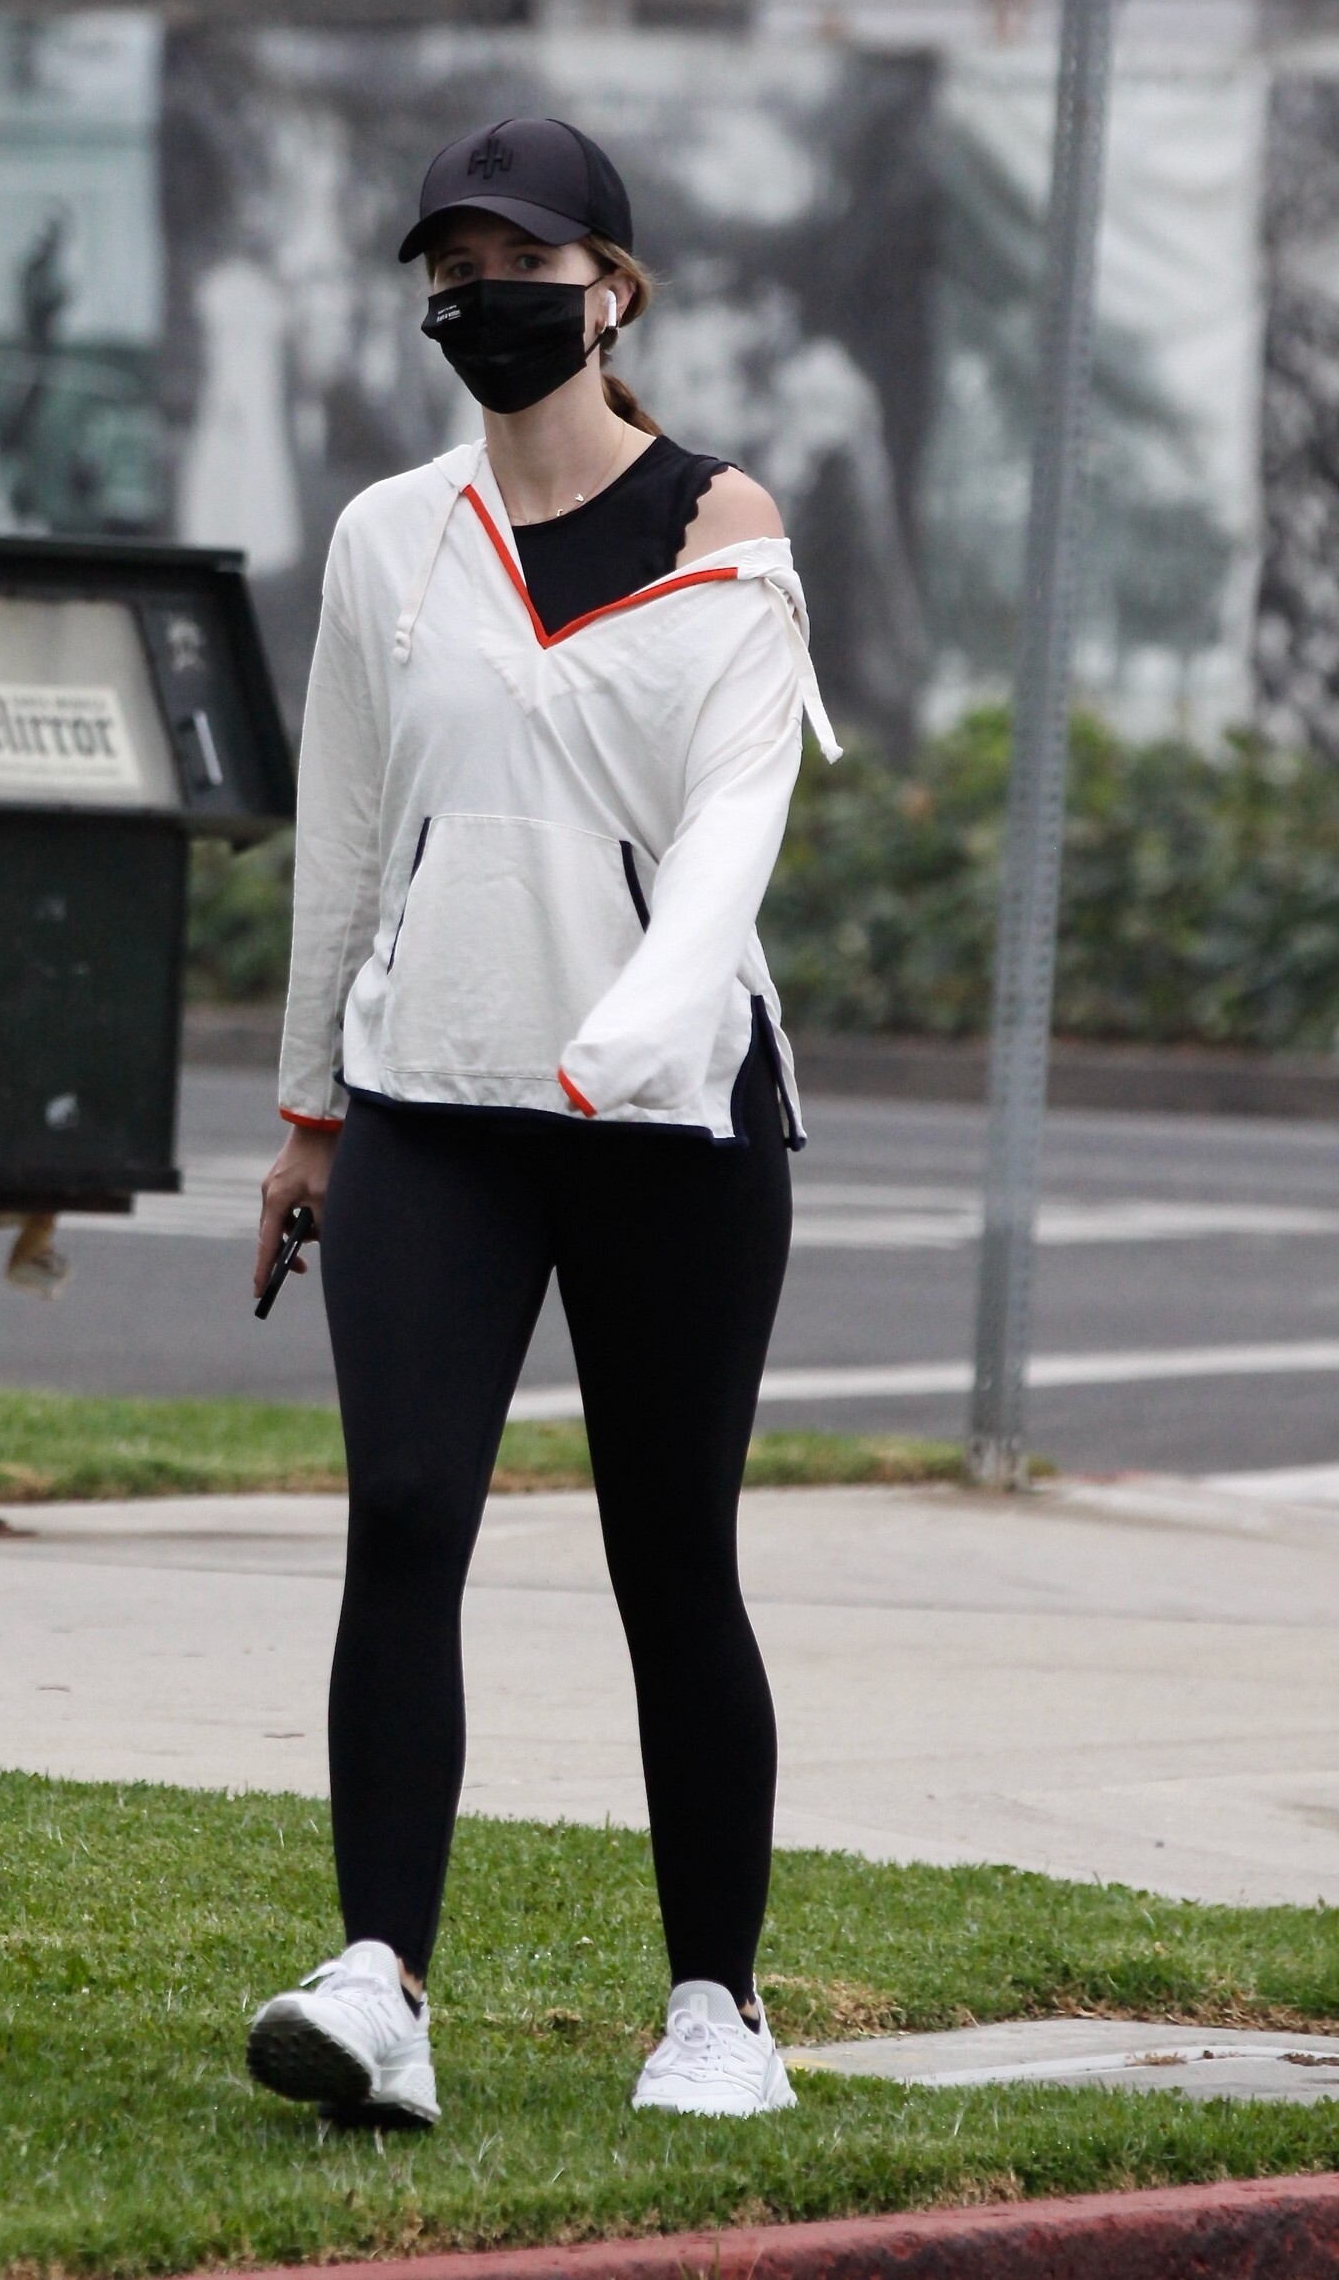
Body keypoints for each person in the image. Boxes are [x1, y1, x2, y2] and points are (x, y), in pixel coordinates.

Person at [246, 117, 840, 2128]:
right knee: (405, 1514)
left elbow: (734, 830)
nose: (481, 301)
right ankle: (378, 1982)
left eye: (521, 266)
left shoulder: (723, 528)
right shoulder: (386, 540)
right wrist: (310, 1114)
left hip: (672, 1122)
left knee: (671, 1555)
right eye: (452, 272)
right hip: (432, 1101)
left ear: (613, 292)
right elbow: (344, 836)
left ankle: (718, 2009)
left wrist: (643, 1026)